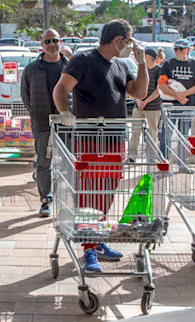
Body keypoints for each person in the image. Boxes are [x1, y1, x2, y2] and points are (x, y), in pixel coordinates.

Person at [53, 19, 149, 273]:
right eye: (129, 41)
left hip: (115, 140)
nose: (131, 45)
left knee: (106, 193)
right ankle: (88, 248)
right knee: (88, 195)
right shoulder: (83, 60)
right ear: (118, 40)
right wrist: (65, 112)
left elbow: (139, 92)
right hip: (89, 140)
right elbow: (61, 89)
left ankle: (98, 240)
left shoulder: (120, 65)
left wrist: (141, 63)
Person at [21, 29, 69, 217]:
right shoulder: (32, 69)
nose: (51, 45)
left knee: (67, 161)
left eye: (54, 41)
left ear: (60, 42)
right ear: (42, 45)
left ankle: (65, 199)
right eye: (47, 41)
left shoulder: (69, 67)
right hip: (42, 122)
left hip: (66, 122)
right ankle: (45, 200)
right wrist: (34, 113)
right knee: (43, 162)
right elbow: (25, 95)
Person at [158, 39, 195, 158]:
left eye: (181, 49)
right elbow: (161, 84)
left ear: (188, 50)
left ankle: (183, 162)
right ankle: (164, 161)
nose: (178, 51)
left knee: (184, 136)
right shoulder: (168, 64)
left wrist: (184, 94)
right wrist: (176, 96)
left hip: (188, 105)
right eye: (176, 49)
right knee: (166, 135)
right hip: (170, 105)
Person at [130, 48, 162, 161]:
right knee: (135, 131)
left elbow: (159, 89)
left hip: (153, 107)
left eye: (145, 56)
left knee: (153, 133)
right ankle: (132, 156)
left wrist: (146, 101)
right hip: (138, 106)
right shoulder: (141, 69)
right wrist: (138, 100)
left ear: (150, 57)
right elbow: (134, 85)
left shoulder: (159, 71)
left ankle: (151, 157)